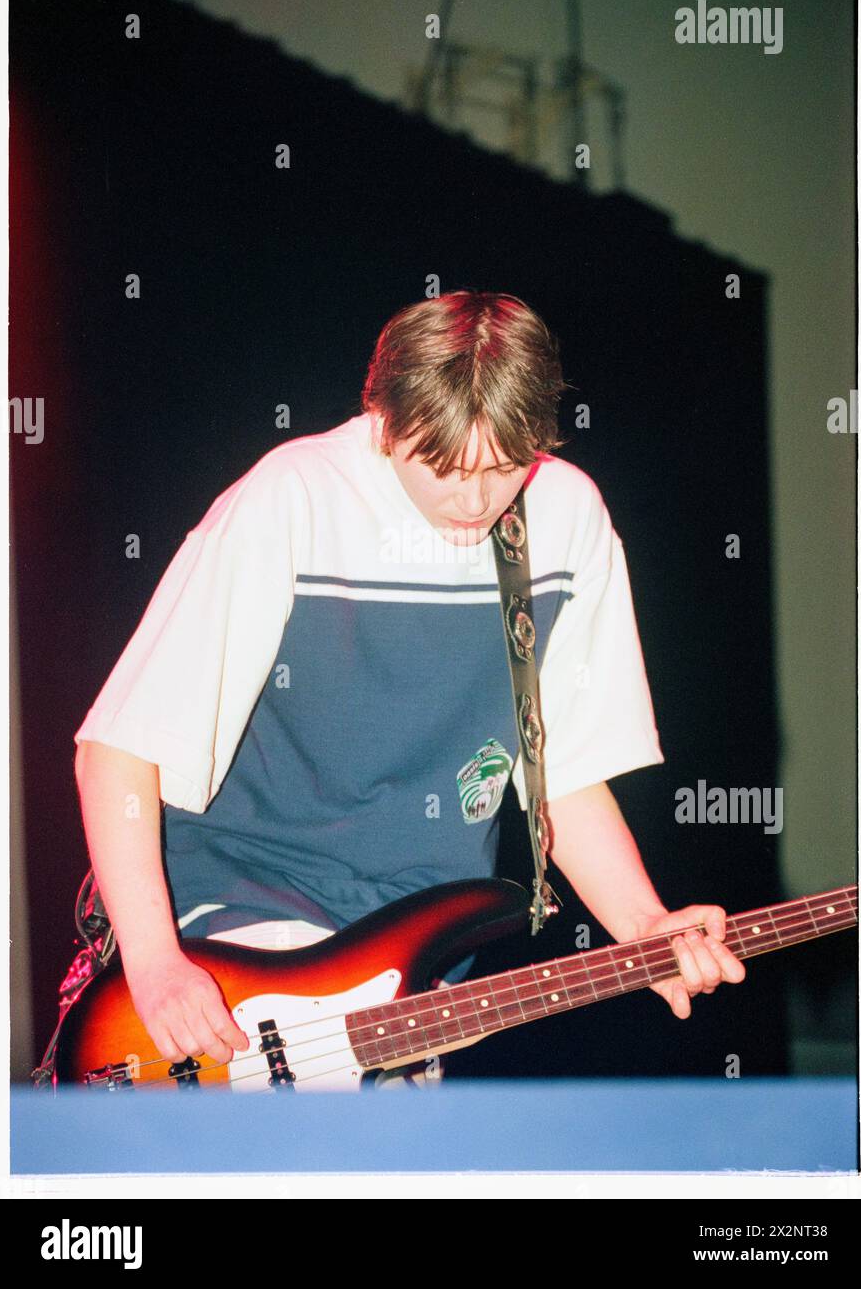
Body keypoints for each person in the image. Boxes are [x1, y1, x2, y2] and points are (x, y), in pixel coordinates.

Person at [73, 290, 745, 1082]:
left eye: (502, 469)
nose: (472, 501)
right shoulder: (295, 497)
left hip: (416, 959)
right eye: (442, 467)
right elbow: (117, 749)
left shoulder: (567, 518)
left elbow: (562, 777)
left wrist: (643, 928)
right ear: (382, 424)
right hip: (248, 911)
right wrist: (154, 962)